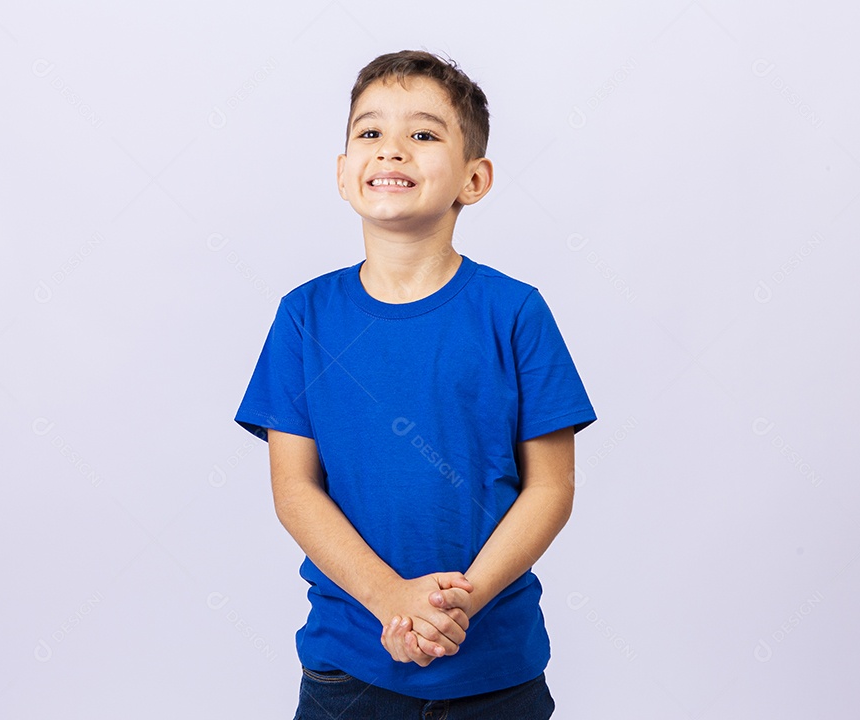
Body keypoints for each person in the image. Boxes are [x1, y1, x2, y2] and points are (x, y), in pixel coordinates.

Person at [234, 49, 596, 719]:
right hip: (349, 667)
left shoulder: (514, 314)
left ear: (474, 178)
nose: (392, 150)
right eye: (370, 133)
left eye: (424, 134)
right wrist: (389, 599)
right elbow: (294, 488)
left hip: (495, 671)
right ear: (343, 174)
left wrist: (461, 601)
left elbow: (550, 486)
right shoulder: (304, 317)